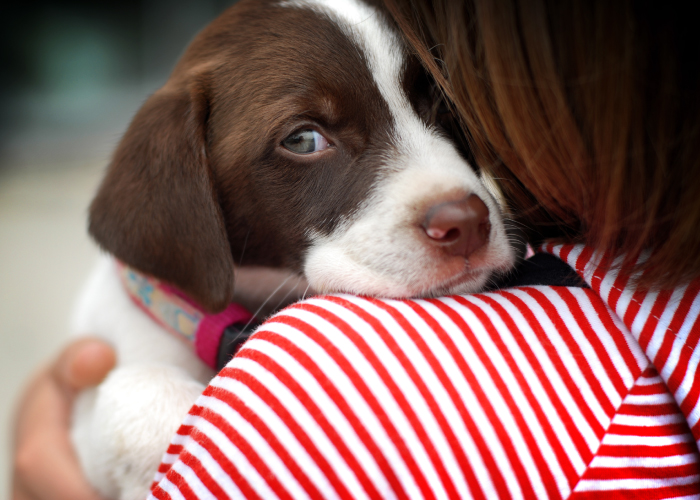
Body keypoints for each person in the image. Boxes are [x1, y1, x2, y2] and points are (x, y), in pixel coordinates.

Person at [12, 0, 700, 498]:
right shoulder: (133, 311)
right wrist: (126, 406)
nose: (454, 203)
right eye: (305, 139)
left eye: (435, 105)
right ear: (184, 186)